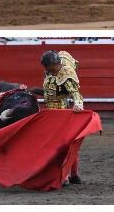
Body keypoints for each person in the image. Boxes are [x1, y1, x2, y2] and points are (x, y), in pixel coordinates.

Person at [40, 50, 84, 184]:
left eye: (48, 68)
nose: (47, 71)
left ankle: (68, 175)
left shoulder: (66, 74)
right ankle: (72, 175)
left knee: (63, 145)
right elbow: (49, 92)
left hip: (61, 112)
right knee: (60, 144)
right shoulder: (49, 71)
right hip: (50, 111)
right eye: (46, 68)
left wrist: (78, 105)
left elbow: (76, 94)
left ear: (55, 64)